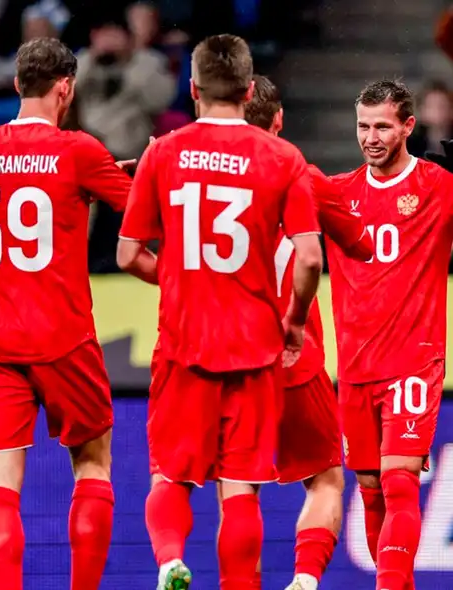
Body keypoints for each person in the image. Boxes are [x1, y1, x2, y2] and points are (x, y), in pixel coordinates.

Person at [116, 35, 323, 590]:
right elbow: (308, 256)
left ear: (193, 89)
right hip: (254, 346)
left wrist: (182, 278)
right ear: (250, 90)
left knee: (170, 477)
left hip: (184, 342)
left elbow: (127, 253)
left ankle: (169, 563)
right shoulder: (283, 158)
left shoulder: (162, 151)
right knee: (241, 490)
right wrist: (296, 321)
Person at [0, 36, 132, 590]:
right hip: (62, 334)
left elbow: (32, 185)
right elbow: (138, 207)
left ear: (16, 84)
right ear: (67, 87)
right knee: (93, 463)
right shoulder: (79, 149)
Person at [241, 75, 372, 590]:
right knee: (325, 480)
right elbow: (362, 244)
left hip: (228, 357)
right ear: (278, 120)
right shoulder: (302, 174)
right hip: (296, 359)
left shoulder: (193, 170)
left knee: (238, 488)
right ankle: (304, 579)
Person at [327, 79, 453, 590]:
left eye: (382, 126)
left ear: (407, 126)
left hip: (414, 360)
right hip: (355, 366)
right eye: (363, 125)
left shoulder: (440, 186)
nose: (371, 136)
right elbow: (269, 184)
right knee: (371, 488)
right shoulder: (335, 193)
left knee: (400, 484)